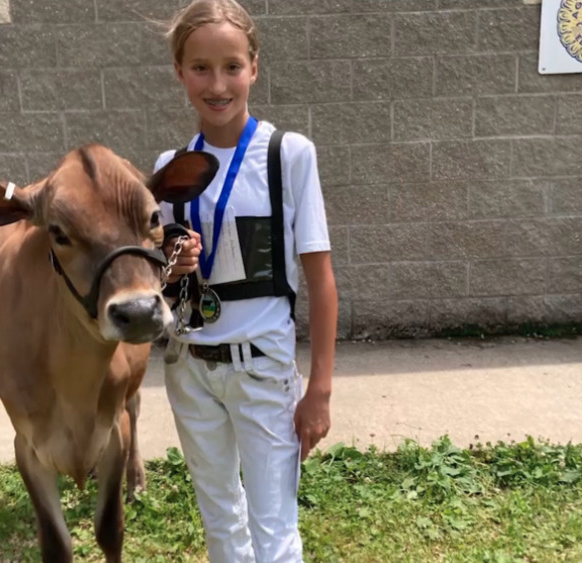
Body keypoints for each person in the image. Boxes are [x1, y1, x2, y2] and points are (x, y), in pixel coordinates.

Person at [153, 1, 339, 561]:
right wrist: (172, 264)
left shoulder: (288, 155)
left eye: (232, 66)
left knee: (273, 529)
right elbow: (161, 285)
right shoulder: (171, 165)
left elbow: (322, 282)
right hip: (189, 367)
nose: (218, 83)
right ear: (180, 72)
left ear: (254, 67)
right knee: (220, 526)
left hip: (262, 367)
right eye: (201, 67)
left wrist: (320, 391)